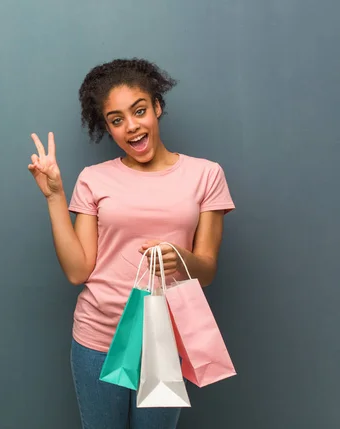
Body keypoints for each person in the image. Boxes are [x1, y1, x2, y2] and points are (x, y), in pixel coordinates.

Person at [27, 58, 235, 429]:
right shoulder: (94, 179)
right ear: (106, 126)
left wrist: (180, 259)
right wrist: (55, 196)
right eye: (116, 119)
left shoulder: (206, 175)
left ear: (157, 106)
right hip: (98, 339)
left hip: (165, 339)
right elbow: (78, 271)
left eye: (139, 111)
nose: (132, 127)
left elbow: (206, 271)